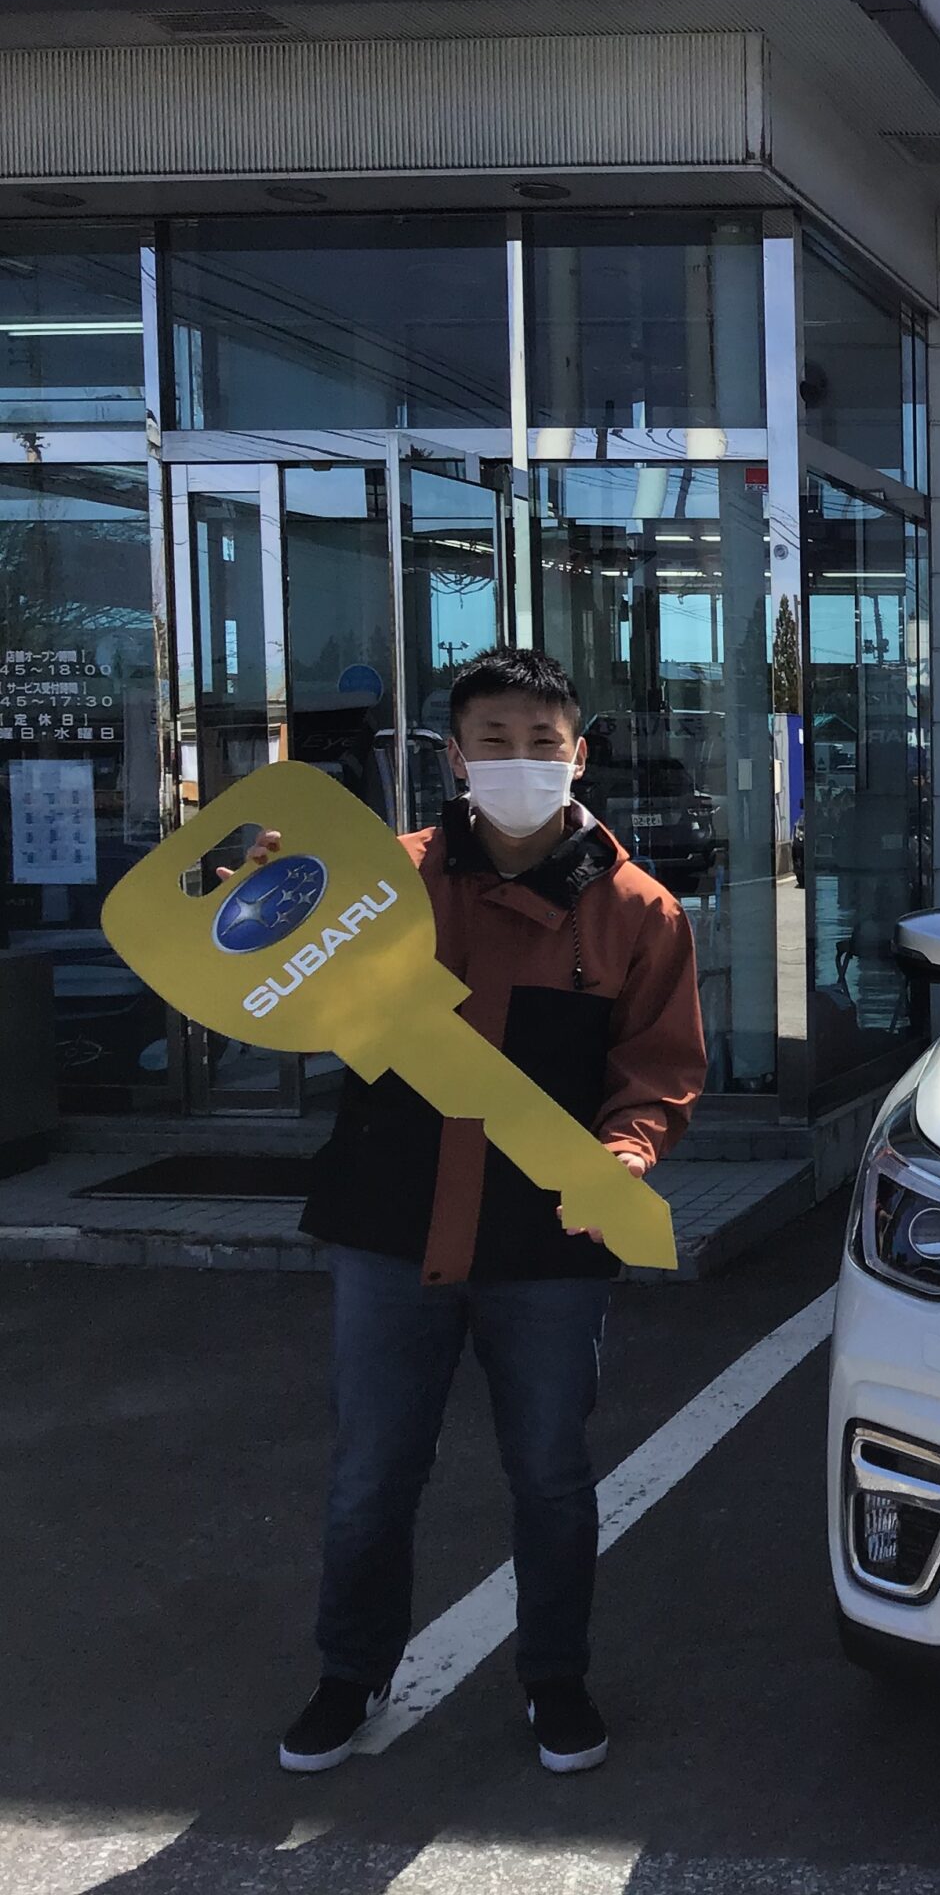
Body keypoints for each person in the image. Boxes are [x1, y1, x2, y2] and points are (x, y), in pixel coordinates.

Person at [272, 647, 705, 1777]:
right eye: (494, 742)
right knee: (371, 1475)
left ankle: (555, 1679)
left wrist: (624, 1154)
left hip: (548, 1240)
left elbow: (657, 1071)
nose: (520, 761)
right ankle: (348, 1674)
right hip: (391, 1226)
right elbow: (275, 960)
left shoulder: (637, 910)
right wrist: (260, 895)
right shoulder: (384, 886)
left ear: (579, 754)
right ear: (455, 758)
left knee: (552, 1476)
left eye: (542, 743)